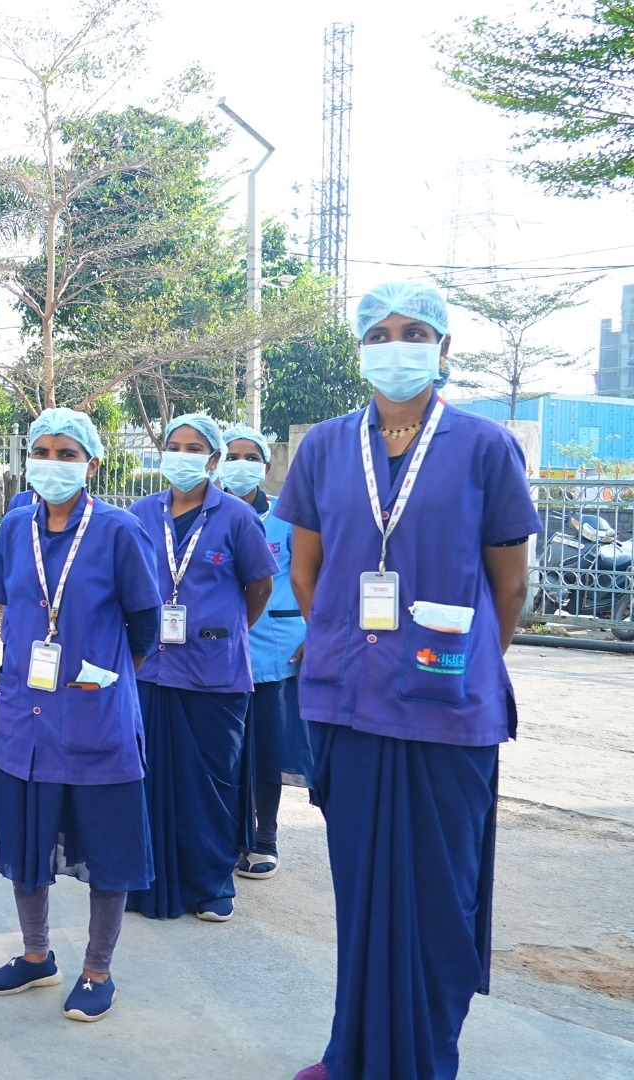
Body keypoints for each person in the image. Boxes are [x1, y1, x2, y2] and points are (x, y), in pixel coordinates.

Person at [277, 281, 537, 1080]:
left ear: (446, 348)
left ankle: (425, 1061)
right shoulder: (324, 445)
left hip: (447, 707)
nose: (397, 343)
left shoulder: (485, 446)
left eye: (416, 330)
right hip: (349, 707)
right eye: (381, 331)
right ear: (361, 349)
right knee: (362, 893)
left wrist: (460, 664)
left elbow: (510, 586)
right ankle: (352, 1053)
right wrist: (356, 649)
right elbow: (306, 572)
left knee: (437, 897)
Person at [0, 408, 162, 1023]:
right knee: (26, 843)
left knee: (107, 848)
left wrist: (102, 677)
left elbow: (146, 624)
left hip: (93, 718)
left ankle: (97, 968)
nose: (51, 464)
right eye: (42, 451)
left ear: (92, 463)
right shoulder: (13, 527)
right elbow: (8, 606)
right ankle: (36, 956)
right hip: (25, 720)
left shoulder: (118, 530)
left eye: (66, 454)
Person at [124, 413, 277, 923]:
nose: (183, 455)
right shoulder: (140, 513)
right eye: (174, 445)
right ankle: (147, 879)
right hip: (149, 670)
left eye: (195, 447)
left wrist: (226, 630)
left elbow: (259, 589)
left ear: (212, 459)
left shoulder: (237, 517)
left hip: (215, 674)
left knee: (213, 783)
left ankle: (212, 884)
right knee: (146, 779)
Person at [218, 423, 310, 881]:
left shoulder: (286, 519)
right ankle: (229, 836)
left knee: (268, 748)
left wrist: (318, 634)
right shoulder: (204, 515)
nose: (240, 464)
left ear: (267, 466)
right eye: (231, 455)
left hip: (275, 650)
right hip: (215, 650)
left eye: (250, 456)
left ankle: (265, 837)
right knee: (225, 748)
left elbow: (317, 579)